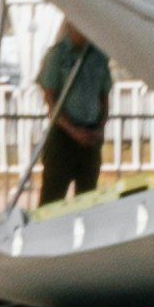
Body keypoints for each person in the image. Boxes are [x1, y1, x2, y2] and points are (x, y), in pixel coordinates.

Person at [32, 18, 115, 206]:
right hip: (64, 136)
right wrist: (72, 130)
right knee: (53, 198)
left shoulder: (99, 56)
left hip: (91, 135)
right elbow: (50, 99)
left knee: (87, 197)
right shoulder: (57, 55)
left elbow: (104, 96)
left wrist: (100, 127)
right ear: (70, 25)